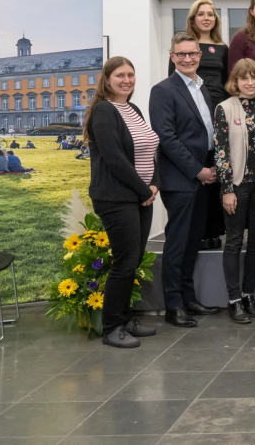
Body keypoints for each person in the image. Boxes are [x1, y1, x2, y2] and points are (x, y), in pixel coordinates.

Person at [84, 56, 160, 348]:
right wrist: (144, 191)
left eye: (130, 74)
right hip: (116, 197)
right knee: (125, 261)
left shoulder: (132, 109)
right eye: (120, 75)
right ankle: (112, 327)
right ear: (107, 79)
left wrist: (154, 184)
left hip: (140, 196)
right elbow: (114, 158)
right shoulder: (104, 110)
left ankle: (124, 319)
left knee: (133, 260)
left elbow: (150, 150)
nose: (127, 80)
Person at [150, 32, 222, 328]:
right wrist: (197, 170)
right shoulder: (163, 90)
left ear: (200, 56)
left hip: (204, 175)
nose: (188, 58)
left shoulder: (202, 88)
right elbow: (167, 138)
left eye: (192, 53)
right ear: (172, 56)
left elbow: (205, 131)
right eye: (181, 54)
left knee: (193, 242)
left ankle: (189, 298)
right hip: (181, 179)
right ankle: (174, 305)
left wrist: (212, 166)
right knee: (177, 244)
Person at [167, 0, 229, 251]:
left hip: (218, 110)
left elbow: (227, 81)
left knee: (217, 169)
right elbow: (172, 82)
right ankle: (197, 232)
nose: (206, 18)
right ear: (192, 18)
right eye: (201, 14)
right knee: (197, 168)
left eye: (210, 14)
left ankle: (214, 230)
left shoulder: (223, 47)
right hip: (192, 110)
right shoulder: (183, 47)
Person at [214, 59, 255, 325]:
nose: (250, 82)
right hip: (237, 185)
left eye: (254, 77)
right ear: (235, 82)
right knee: (235, 241)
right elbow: (221, 151)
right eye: (244, 78)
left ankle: (248, 294)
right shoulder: (224, 108)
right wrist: (227, 189)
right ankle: (234, 299)